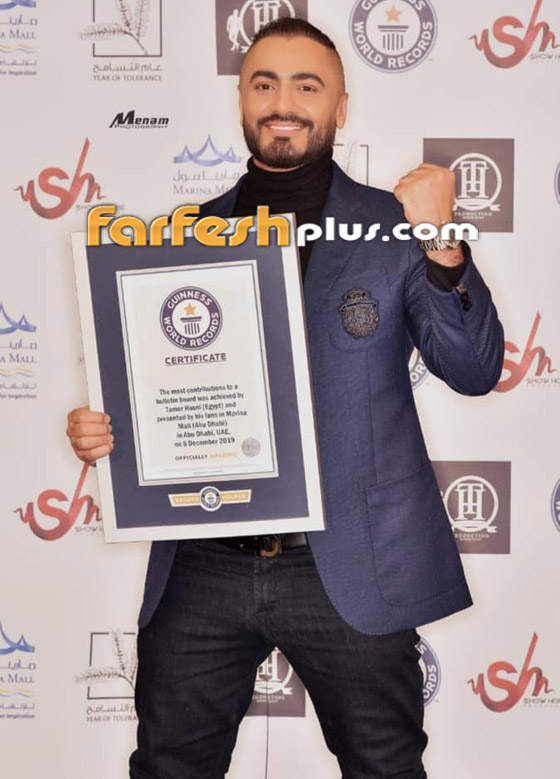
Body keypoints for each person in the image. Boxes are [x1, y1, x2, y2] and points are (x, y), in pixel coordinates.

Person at [66, 18, 504, 779]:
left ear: (341, 107)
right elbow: (172, 396)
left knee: (385, 767)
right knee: (168, 767)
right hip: (201, 565)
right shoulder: (182, 236)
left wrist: (441, 236)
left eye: (308, 86)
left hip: (350, 565)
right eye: (264, 83)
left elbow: (472, 368)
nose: (284, 103)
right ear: (242, 100)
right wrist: (107, 429)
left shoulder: (397, 228)